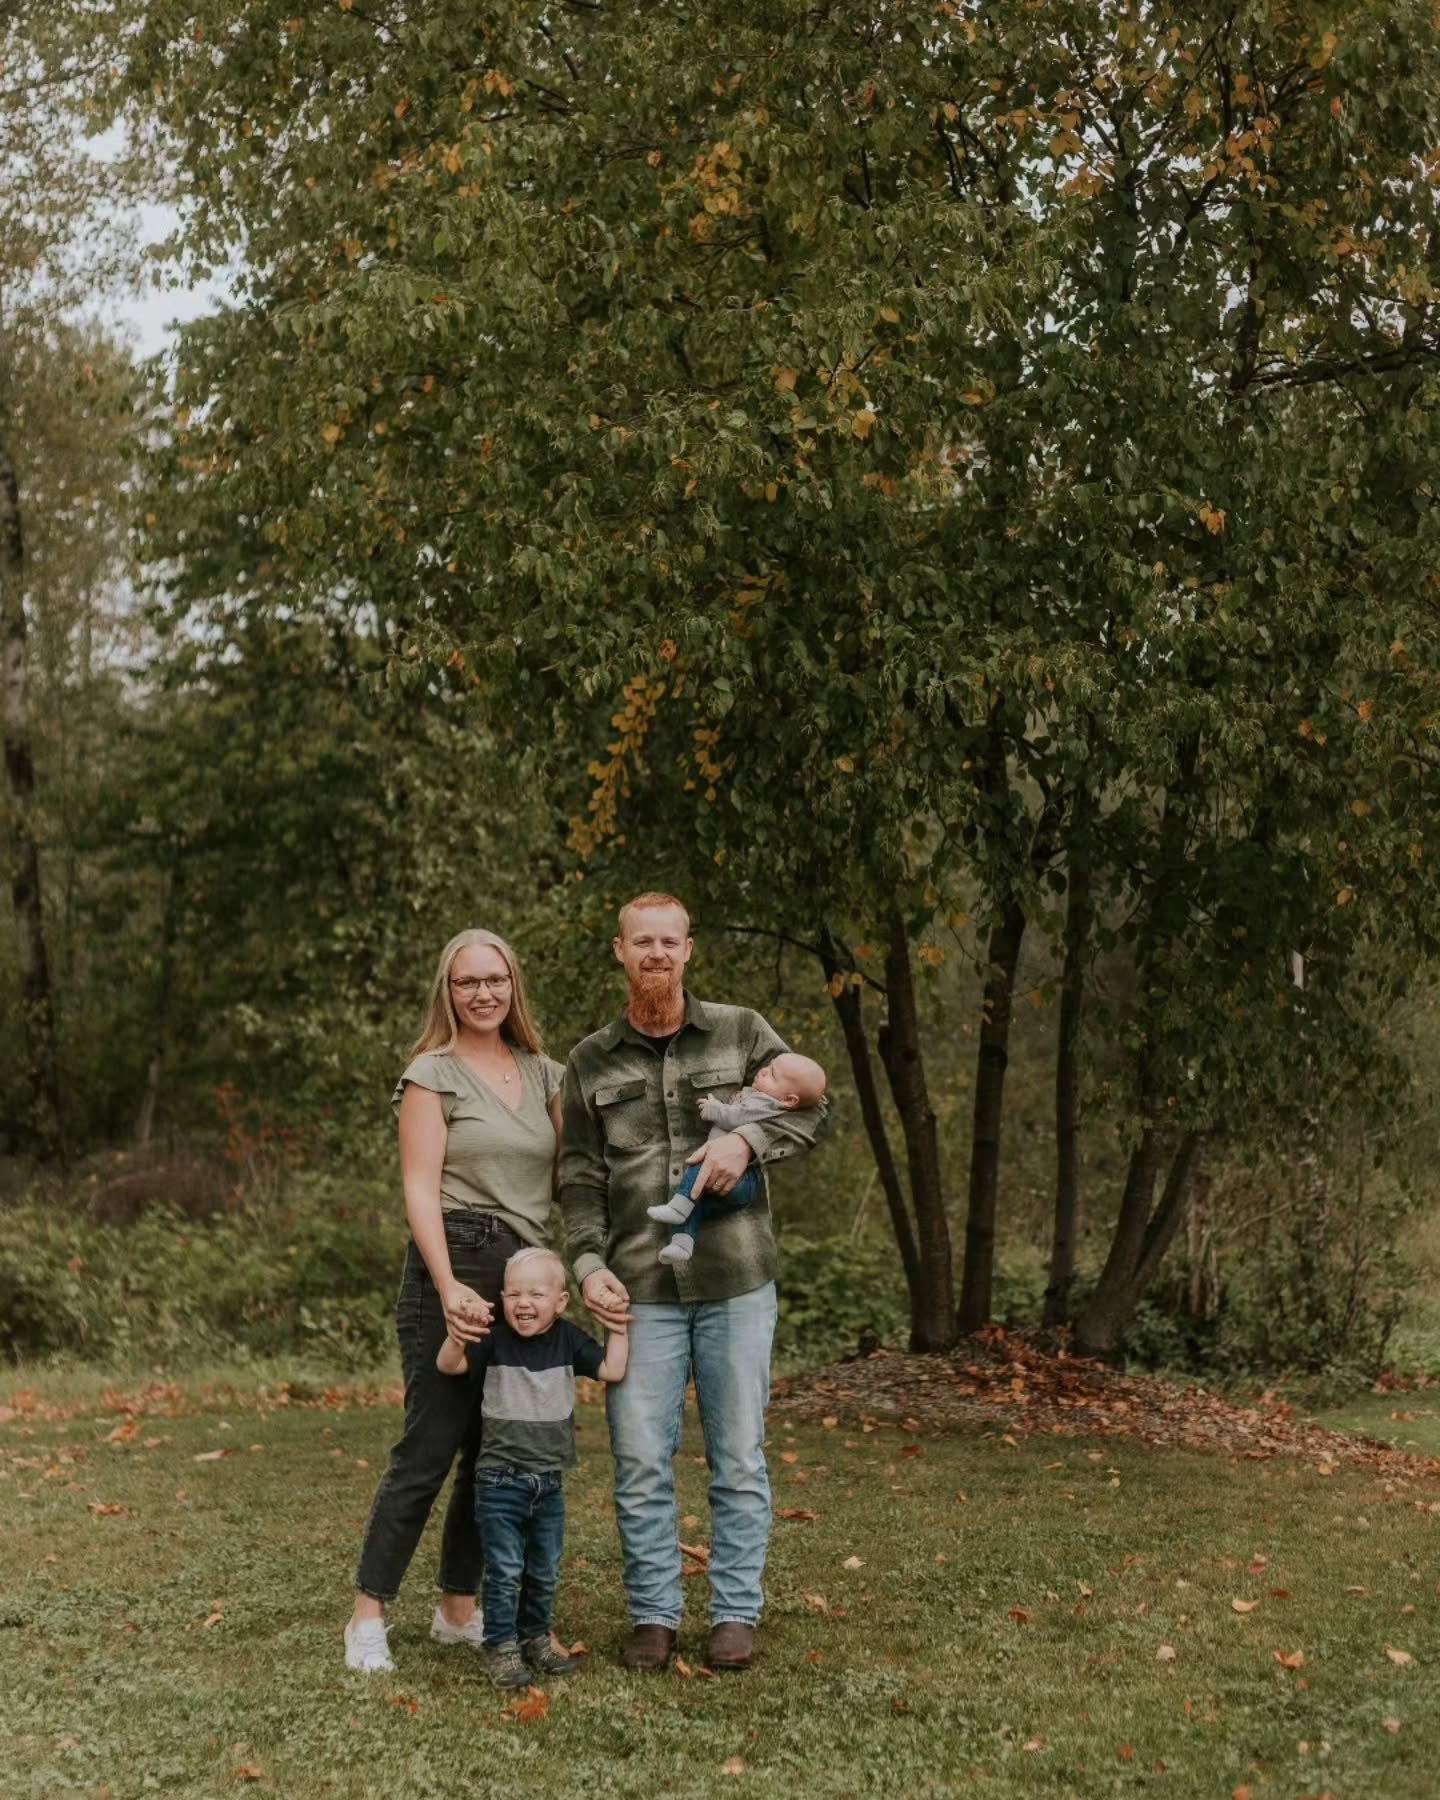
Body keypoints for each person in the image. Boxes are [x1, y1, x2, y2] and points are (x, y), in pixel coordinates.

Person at [560, 891, 830, 1674]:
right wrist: (584, 1262)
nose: (656, 953)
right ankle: (653, 1614)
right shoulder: (590, 1060)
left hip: (736, 1279)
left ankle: (735, 1612)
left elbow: (813, 1109)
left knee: (738, 1453)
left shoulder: (743, 1032)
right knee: (640, 1456)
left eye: (669, 941)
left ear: (689, 949)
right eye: (641, 940)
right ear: (620, 950)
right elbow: (577, 1175)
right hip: (637, 1287)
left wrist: (746, 1142)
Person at [344, 928, 566, 1676]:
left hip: (526, 1280)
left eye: (495, 980)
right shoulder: (430, 1073)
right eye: (467, 982)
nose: (482, 993)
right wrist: (447, 1288)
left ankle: (458, 1611)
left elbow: (584, 1169)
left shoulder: (546, 1075)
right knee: (430, 1446)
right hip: (455, 1260)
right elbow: (418, 1188)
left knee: (496, 1452)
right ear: (448, 990)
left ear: (514, 987)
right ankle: (368, 1614)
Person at [436, 1246, 629, 1687]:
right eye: (514, 1294)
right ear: (502, 1299)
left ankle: (536, 1639)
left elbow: (613, 1370)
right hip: (500, 1478)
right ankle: (501, 1648)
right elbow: (447, 1364)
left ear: (560, 1302)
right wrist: (459, 1333)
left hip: (549, 1482)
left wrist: (618, 1324)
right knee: (504, 1571)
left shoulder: (569, 1339)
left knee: (543, 1569)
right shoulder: (494, 1340)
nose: (524, 1303)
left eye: (537, 1294)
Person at [646, 1053, 828, 1265]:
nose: (762, 1071)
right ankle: (682, 1244)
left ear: (789, 1100)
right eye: (767, 1066)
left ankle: (678, 1207)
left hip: (740, 1179)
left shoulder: (765, 1103)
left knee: (697, 1168)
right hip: (741, 1191)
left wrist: (713, 1109)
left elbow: (736, 1117)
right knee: (696, 1207)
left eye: (772, 1075)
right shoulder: (763, 1097)